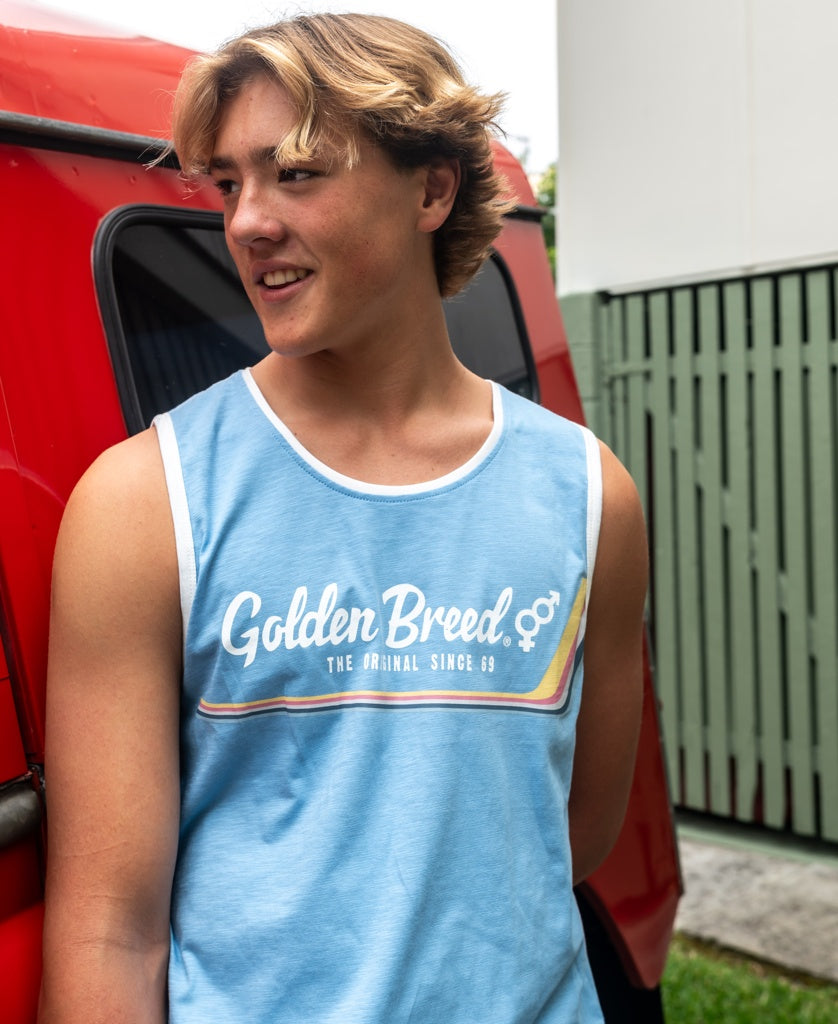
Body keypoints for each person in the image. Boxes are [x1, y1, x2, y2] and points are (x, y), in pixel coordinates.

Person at [38, 13, 646, 1024]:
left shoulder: (590, 497)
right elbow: (111, 928)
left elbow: (567, 834)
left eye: (298, 173)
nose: (246, 222)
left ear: (431, 188)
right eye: (231, 183)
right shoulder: (145, 501)